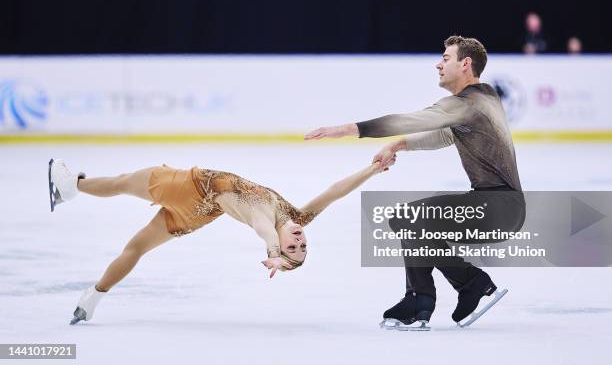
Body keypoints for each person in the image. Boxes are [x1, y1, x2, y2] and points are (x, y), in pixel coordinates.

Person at [305, 35, 526, 329]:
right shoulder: (485, 98)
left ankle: (442, 291)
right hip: (502, 207)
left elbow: (414, 120)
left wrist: (349, 129)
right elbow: (447, 134)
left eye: (446, 58)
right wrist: (399, 145)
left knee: (408, 219)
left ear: (466, 64)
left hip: (495, 207)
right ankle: (450, 289)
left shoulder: (467, 103)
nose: (438, 64)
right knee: (410, 221)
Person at [48, 156, 394, 324]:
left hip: (193, 187)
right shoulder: (297, 216)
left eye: (293, 248)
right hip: (201, 211)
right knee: (137, 248)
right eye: (303, 247)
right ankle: (92, 299)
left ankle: (72, 186)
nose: (299, 242)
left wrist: (275, 251)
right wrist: (371, 170)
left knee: (123, 182)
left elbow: (263, 229)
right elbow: (334, 193)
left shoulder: (267, 221)